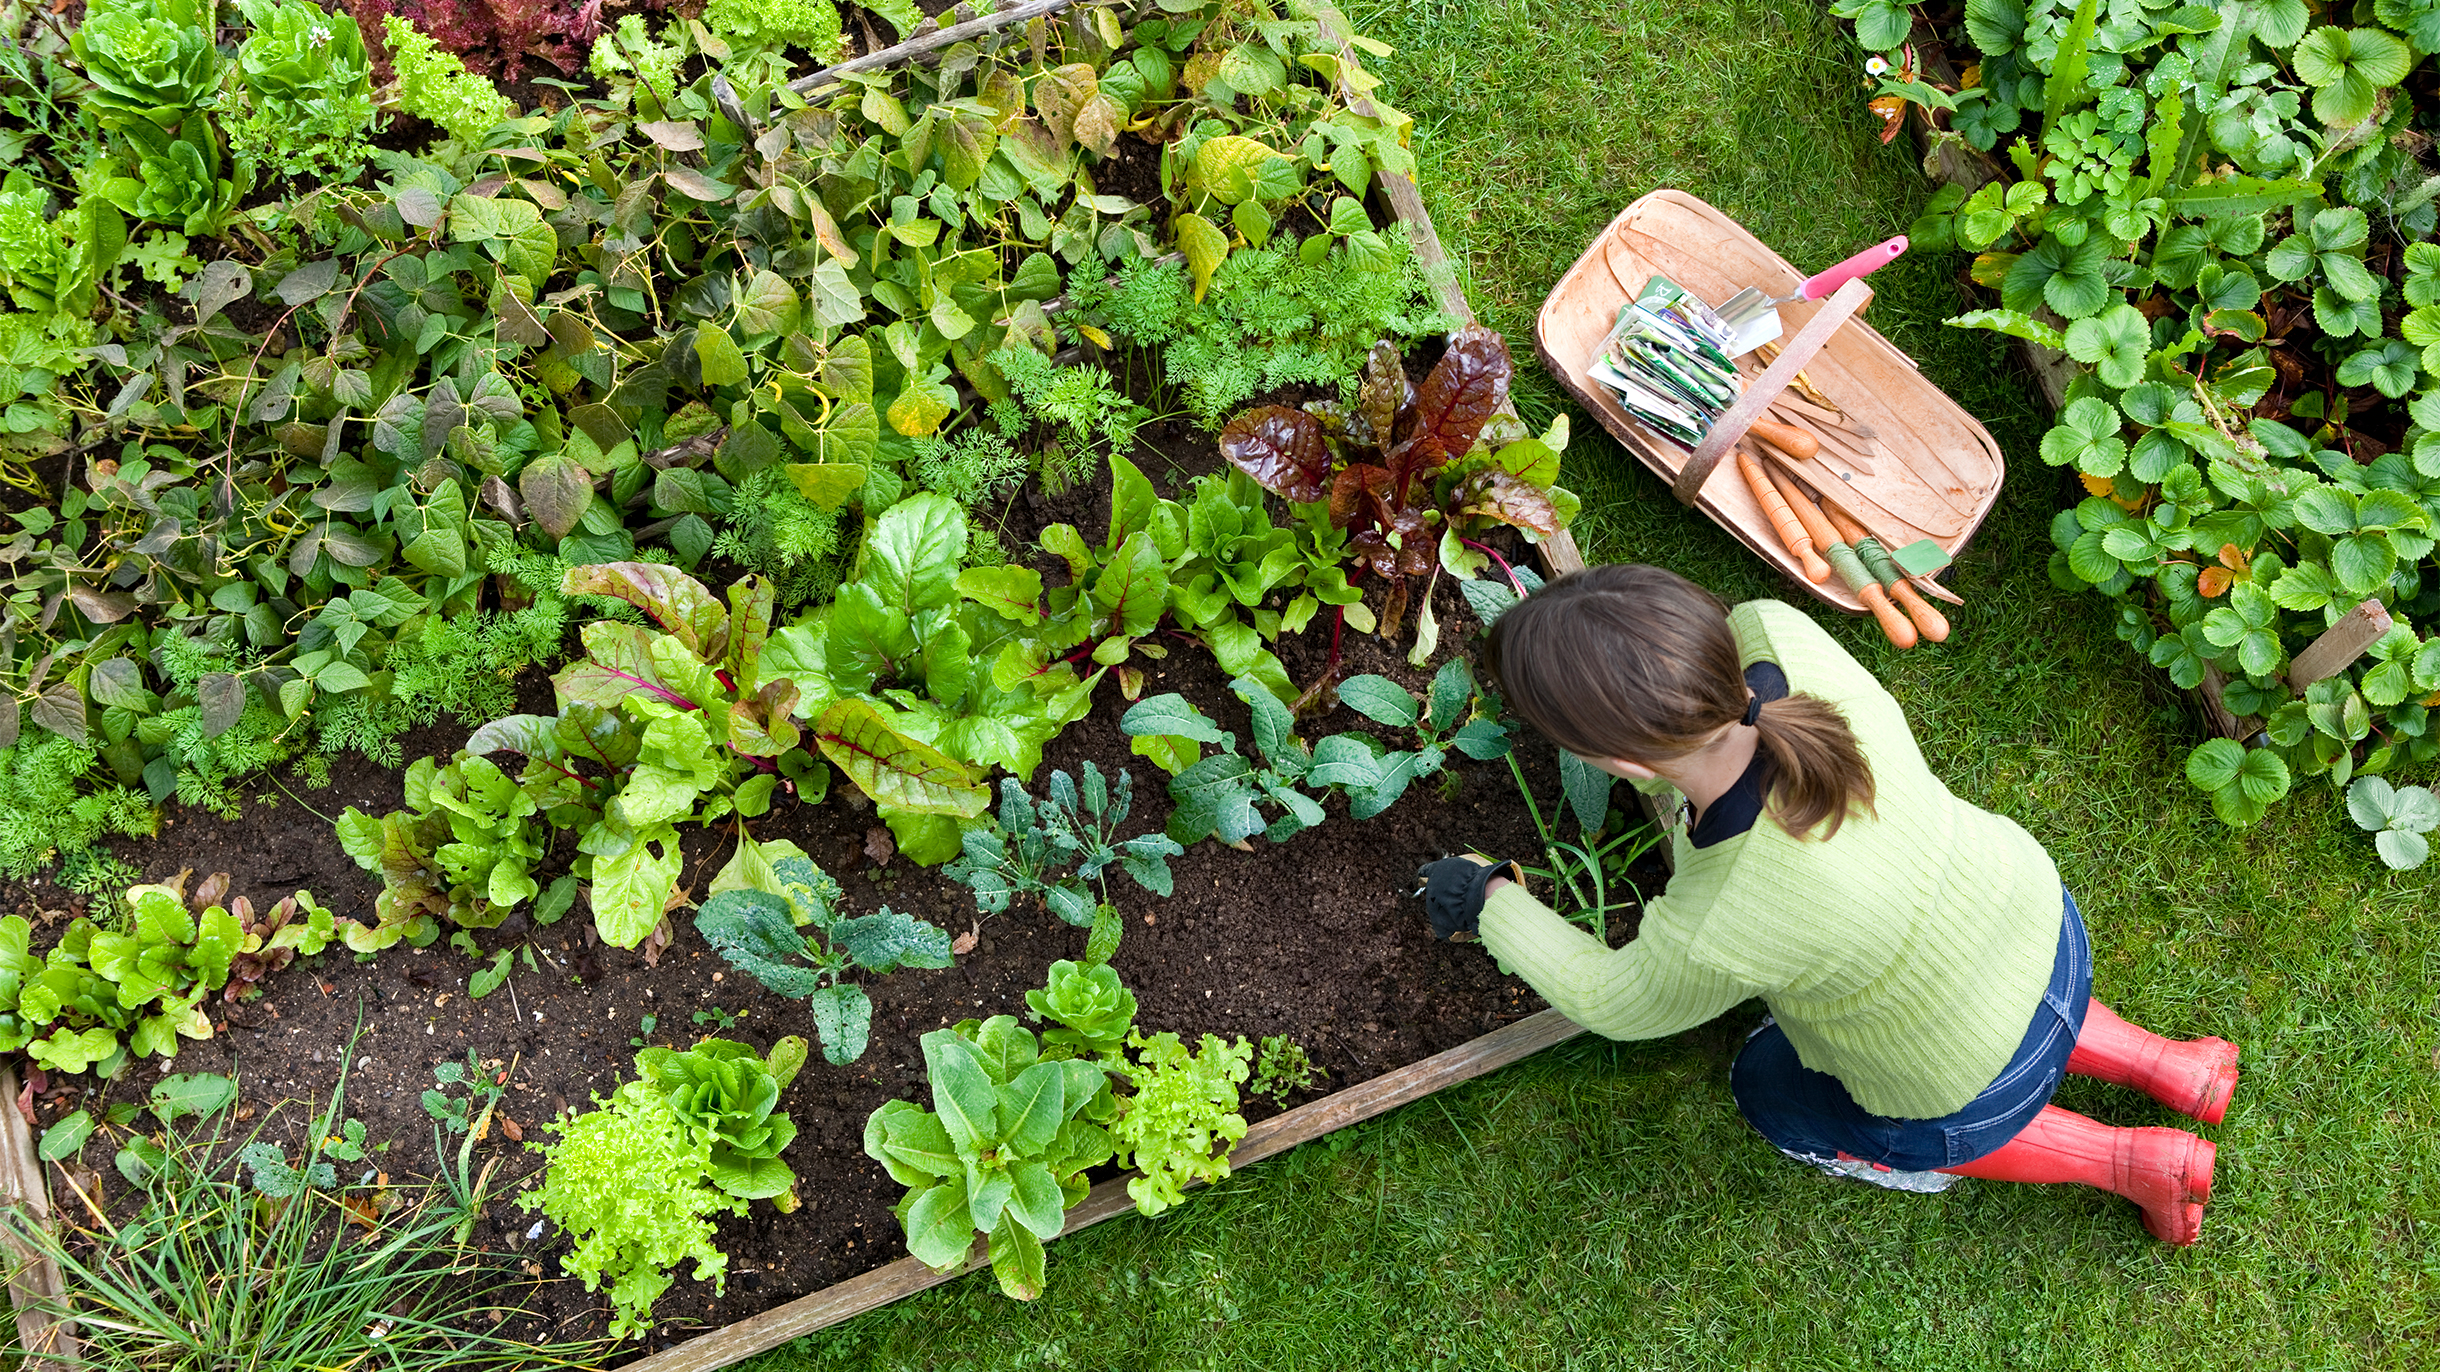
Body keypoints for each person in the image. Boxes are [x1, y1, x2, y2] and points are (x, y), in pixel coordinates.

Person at [1414, 564, 2239, 1243]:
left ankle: (2132, 1162)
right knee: (1980, 990)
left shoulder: (1723, 917)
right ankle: (2172, 1066)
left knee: (1767, 1087)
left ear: (1624, 765)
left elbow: (1612, 1000)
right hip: (2039, 924)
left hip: (1961, 1081)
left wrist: (1486, 898)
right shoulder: (1777, 633)